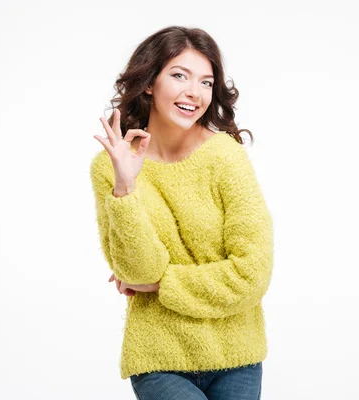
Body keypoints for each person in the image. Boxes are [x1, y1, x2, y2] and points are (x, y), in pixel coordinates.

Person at [89, 25, 274, 400]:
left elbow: (252, 273)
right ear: (148, 83)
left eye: (206, 82)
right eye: (179, 75)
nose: (195, 92)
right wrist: (124, 188)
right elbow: (136, 271)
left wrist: (162, 284)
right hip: (157, 356)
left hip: (237, 356)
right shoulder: (110, 167)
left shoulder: (226, 157)